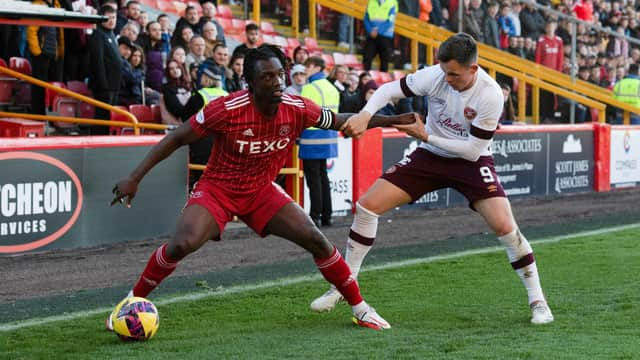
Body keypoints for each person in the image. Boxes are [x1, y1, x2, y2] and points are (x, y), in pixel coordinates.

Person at [108, 44, 419, 331]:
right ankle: (130, 303)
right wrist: (135, 177)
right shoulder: (226, 109)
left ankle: (361, 308)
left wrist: (391, 121)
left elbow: (339, 120)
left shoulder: (298, 107)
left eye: (280, 74)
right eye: (267, 76)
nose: (277, 81)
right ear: (250, 83)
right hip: (218, 188)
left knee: (315, 238)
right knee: (182, 243)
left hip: (260, 190)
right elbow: (177, 137)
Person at [311, 33, 555, 325]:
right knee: (367, 206)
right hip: (430, 155)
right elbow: (389, 89)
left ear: (473, 69)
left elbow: (472, 150)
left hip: (471, 161)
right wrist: (365, 115)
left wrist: (426, 134)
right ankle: (343, 285)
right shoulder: (437, 75)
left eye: (454, 74)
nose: (447, 79)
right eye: (444, 72)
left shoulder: (489, 94)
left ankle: (538, 301)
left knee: (505, 226)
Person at [299, 56, 340, 228]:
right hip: (329, 136)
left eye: (307, 67)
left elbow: (303, 115)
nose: (305, 71)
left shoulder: (309, 88)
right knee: (323, 177)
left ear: (316, 67)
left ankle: (315, 215)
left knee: (313, 179)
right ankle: (327, 215)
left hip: (311, 138)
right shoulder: (333, 88)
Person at [86, 4, 122, 135]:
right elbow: (98, 62)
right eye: (109, 18)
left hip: (114, 84)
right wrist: (103, 85)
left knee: (110, 115)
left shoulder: (111, 34)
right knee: (102, 115)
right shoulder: (98, 35)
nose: (112, 20)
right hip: (104, 86)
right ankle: (98, 138)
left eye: (114, 17)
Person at [363, 0, 398, 72]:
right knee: (367, 56)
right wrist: (370, 31)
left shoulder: (392, 2)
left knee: (384, 60)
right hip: (372, 35)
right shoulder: (371, 1)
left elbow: (390, 21)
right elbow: (366, 18)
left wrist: (377, 31)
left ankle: (383, 79)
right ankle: (365, 77)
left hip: (385, 35)